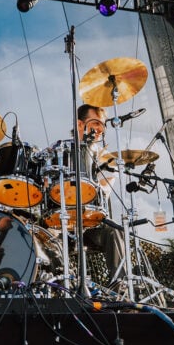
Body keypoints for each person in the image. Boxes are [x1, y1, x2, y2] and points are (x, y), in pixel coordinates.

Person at [72, 104, 128, 288]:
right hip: (61, 222)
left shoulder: (105, 157)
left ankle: (120, 288)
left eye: (103, 125)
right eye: (95, 123)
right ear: (80, 124)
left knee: (115, 230)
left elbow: (104, 190)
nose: (100, 129)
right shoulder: (60, 152)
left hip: (92, 223)